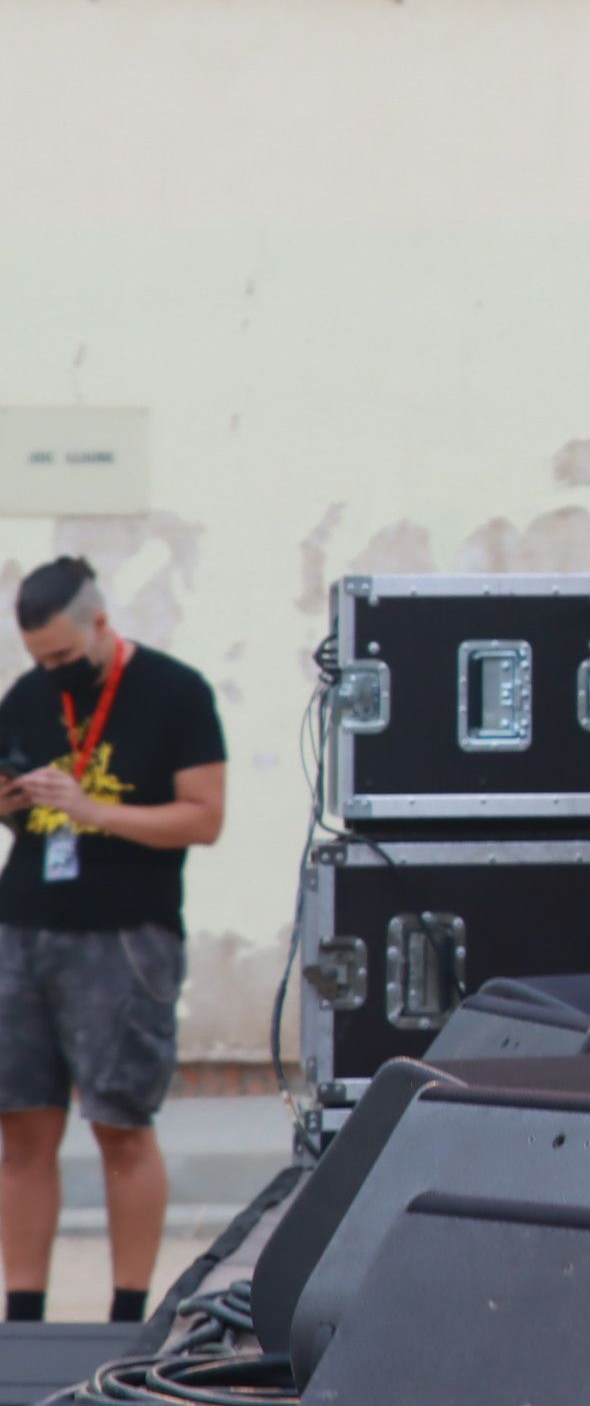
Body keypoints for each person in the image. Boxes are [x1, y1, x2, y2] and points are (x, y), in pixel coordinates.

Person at [0, 562, 225, 1327]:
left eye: (63, 657)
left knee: (121, 1125)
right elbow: (25, 816)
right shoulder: (28, 696)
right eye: (38, 659)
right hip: (24, 929)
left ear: (100, 622)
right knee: (23, 1128)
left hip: (126, 937)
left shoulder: (175, 691)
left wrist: (93, 810)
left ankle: (130, 1317)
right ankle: (23, 1316)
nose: (51, 672)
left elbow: (205, 819)